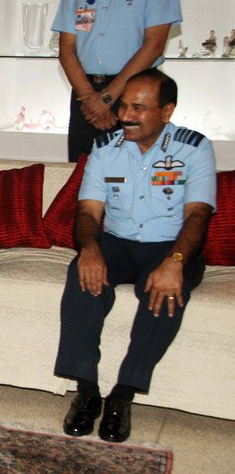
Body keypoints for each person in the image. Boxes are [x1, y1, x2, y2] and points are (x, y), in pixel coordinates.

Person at [55, 69, 216, 443]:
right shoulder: (105, 148)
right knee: (81, 278)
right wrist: (90, 249)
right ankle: (87, 391)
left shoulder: (194, 148)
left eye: (139, 108)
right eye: (124, 105)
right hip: (118, 242)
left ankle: (123, 394)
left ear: (167, 111)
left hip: (171, 245)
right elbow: (88, 212)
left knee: (163, 294)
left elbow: (198, 214)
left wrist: (175, 263)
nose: (127, 115)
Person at [51, 0, 181, 162]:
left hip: (137, 93)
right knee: (82, 171)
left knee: (135, 167)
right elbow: (66, 49)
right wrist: (89, 99)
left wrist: (107, 98)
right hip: (85, 95)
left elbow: (154, 45)